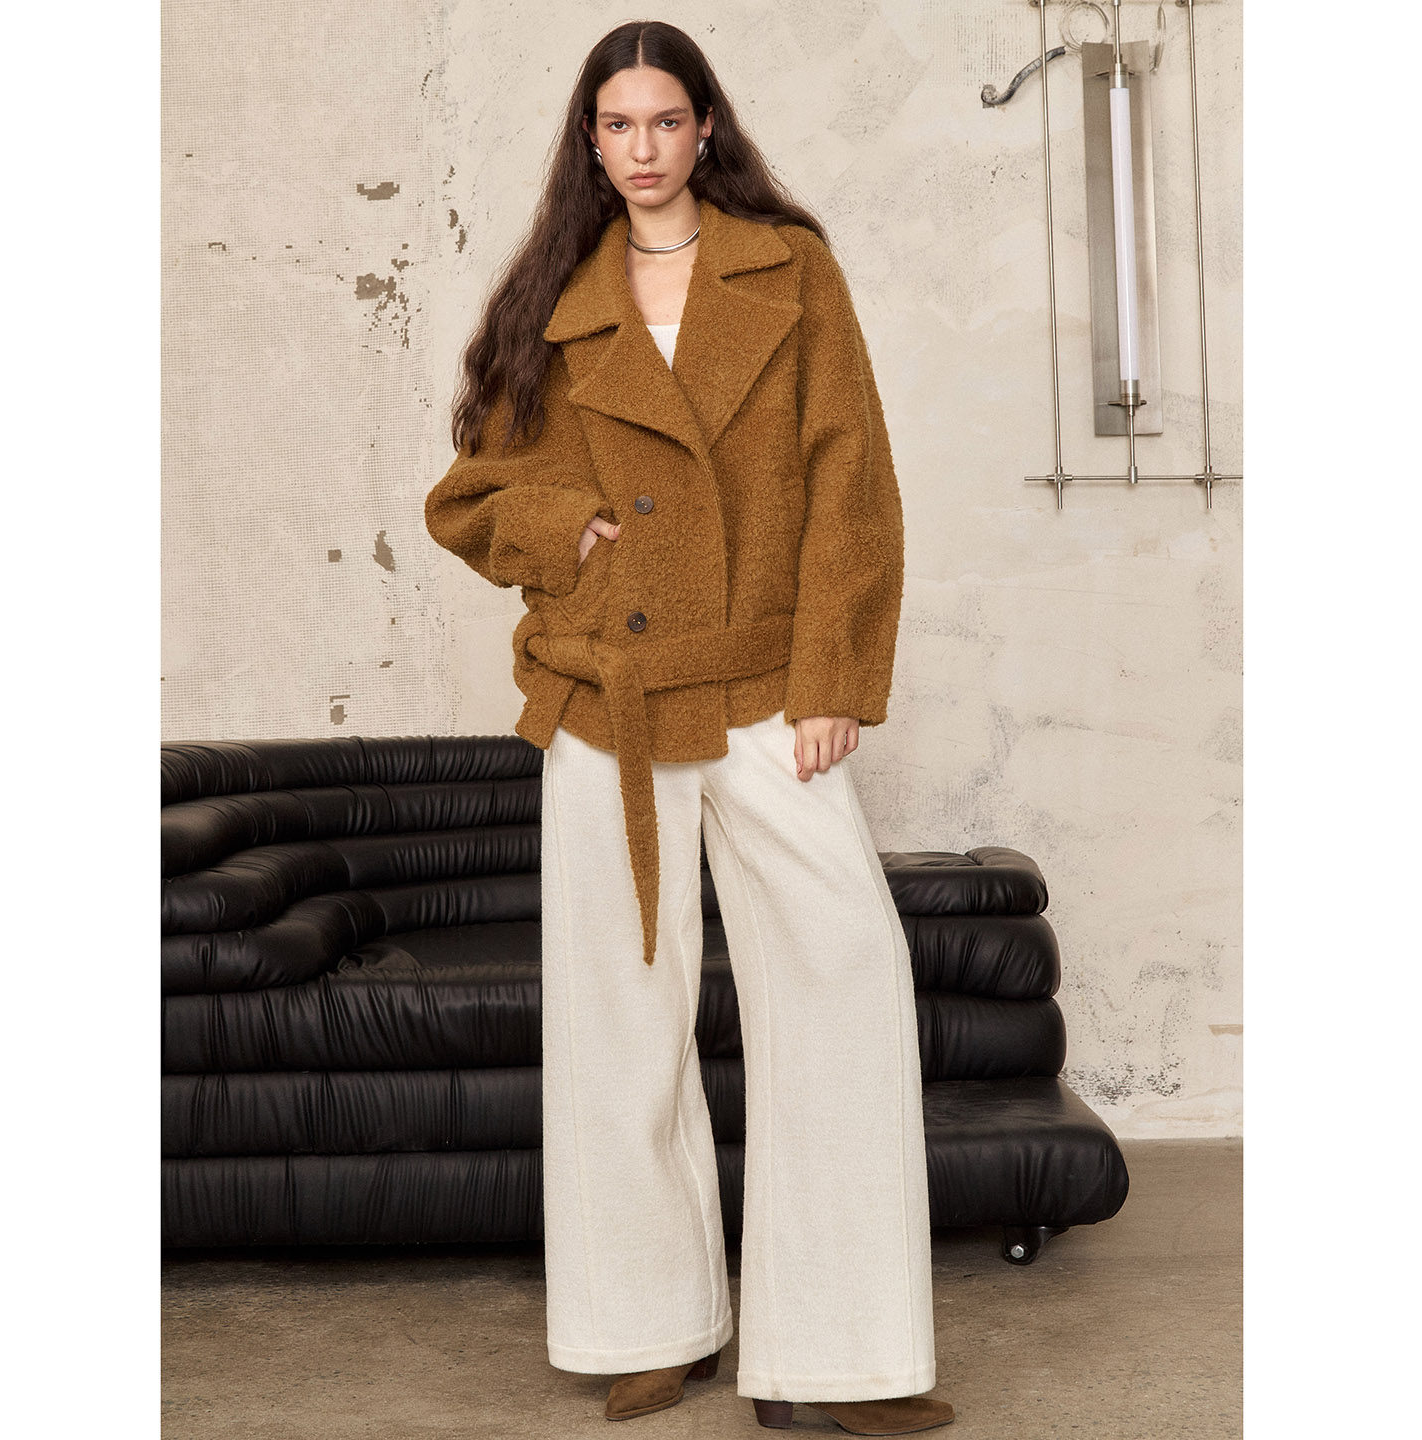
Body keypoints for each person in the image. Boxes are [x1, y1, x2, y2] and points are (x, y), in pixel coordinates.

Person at [424, 19, 954, 1436]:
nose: (644, 147)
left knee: (842, 979)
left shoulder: (791, 269)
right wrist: (567, 525)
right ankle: (646, 1326)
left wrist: (834, 676)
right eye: (619, 125)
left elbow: (852, 478)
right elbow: (467, 496)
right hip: (609, 697)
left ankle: (838, 1356)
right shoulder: (554, 300)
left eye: (666, 120)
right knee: (620, 1016)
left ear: (706, 126)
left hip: (767, 684)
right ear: (591, 144)